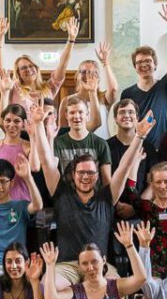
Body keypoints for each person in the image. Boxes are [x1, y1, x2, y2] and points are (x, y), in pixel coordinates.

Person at [44, 115, 149, 289]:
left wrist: (139, 136)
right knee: (48, 289)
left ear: (97, 176)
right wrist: (40, 128)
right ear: (73, 174)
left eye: (91, 173)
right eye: (81, 172)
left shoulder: (107, 197)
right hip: (68, 266)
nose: (86, 177)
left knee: (120, 293)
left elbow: (123, 168)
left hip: (100, 265)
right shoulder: (62, 192)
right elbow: (47, 164)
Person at [121, 5, 167, 144]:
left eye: (148, 61)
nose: (144, 65)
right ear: (135, 67)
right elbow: (124, 125)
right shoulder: (127, 93)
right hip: (137, 148)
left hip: (162, 148)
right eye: (139, 62)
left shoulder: (165, 85)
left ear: (155, 65)